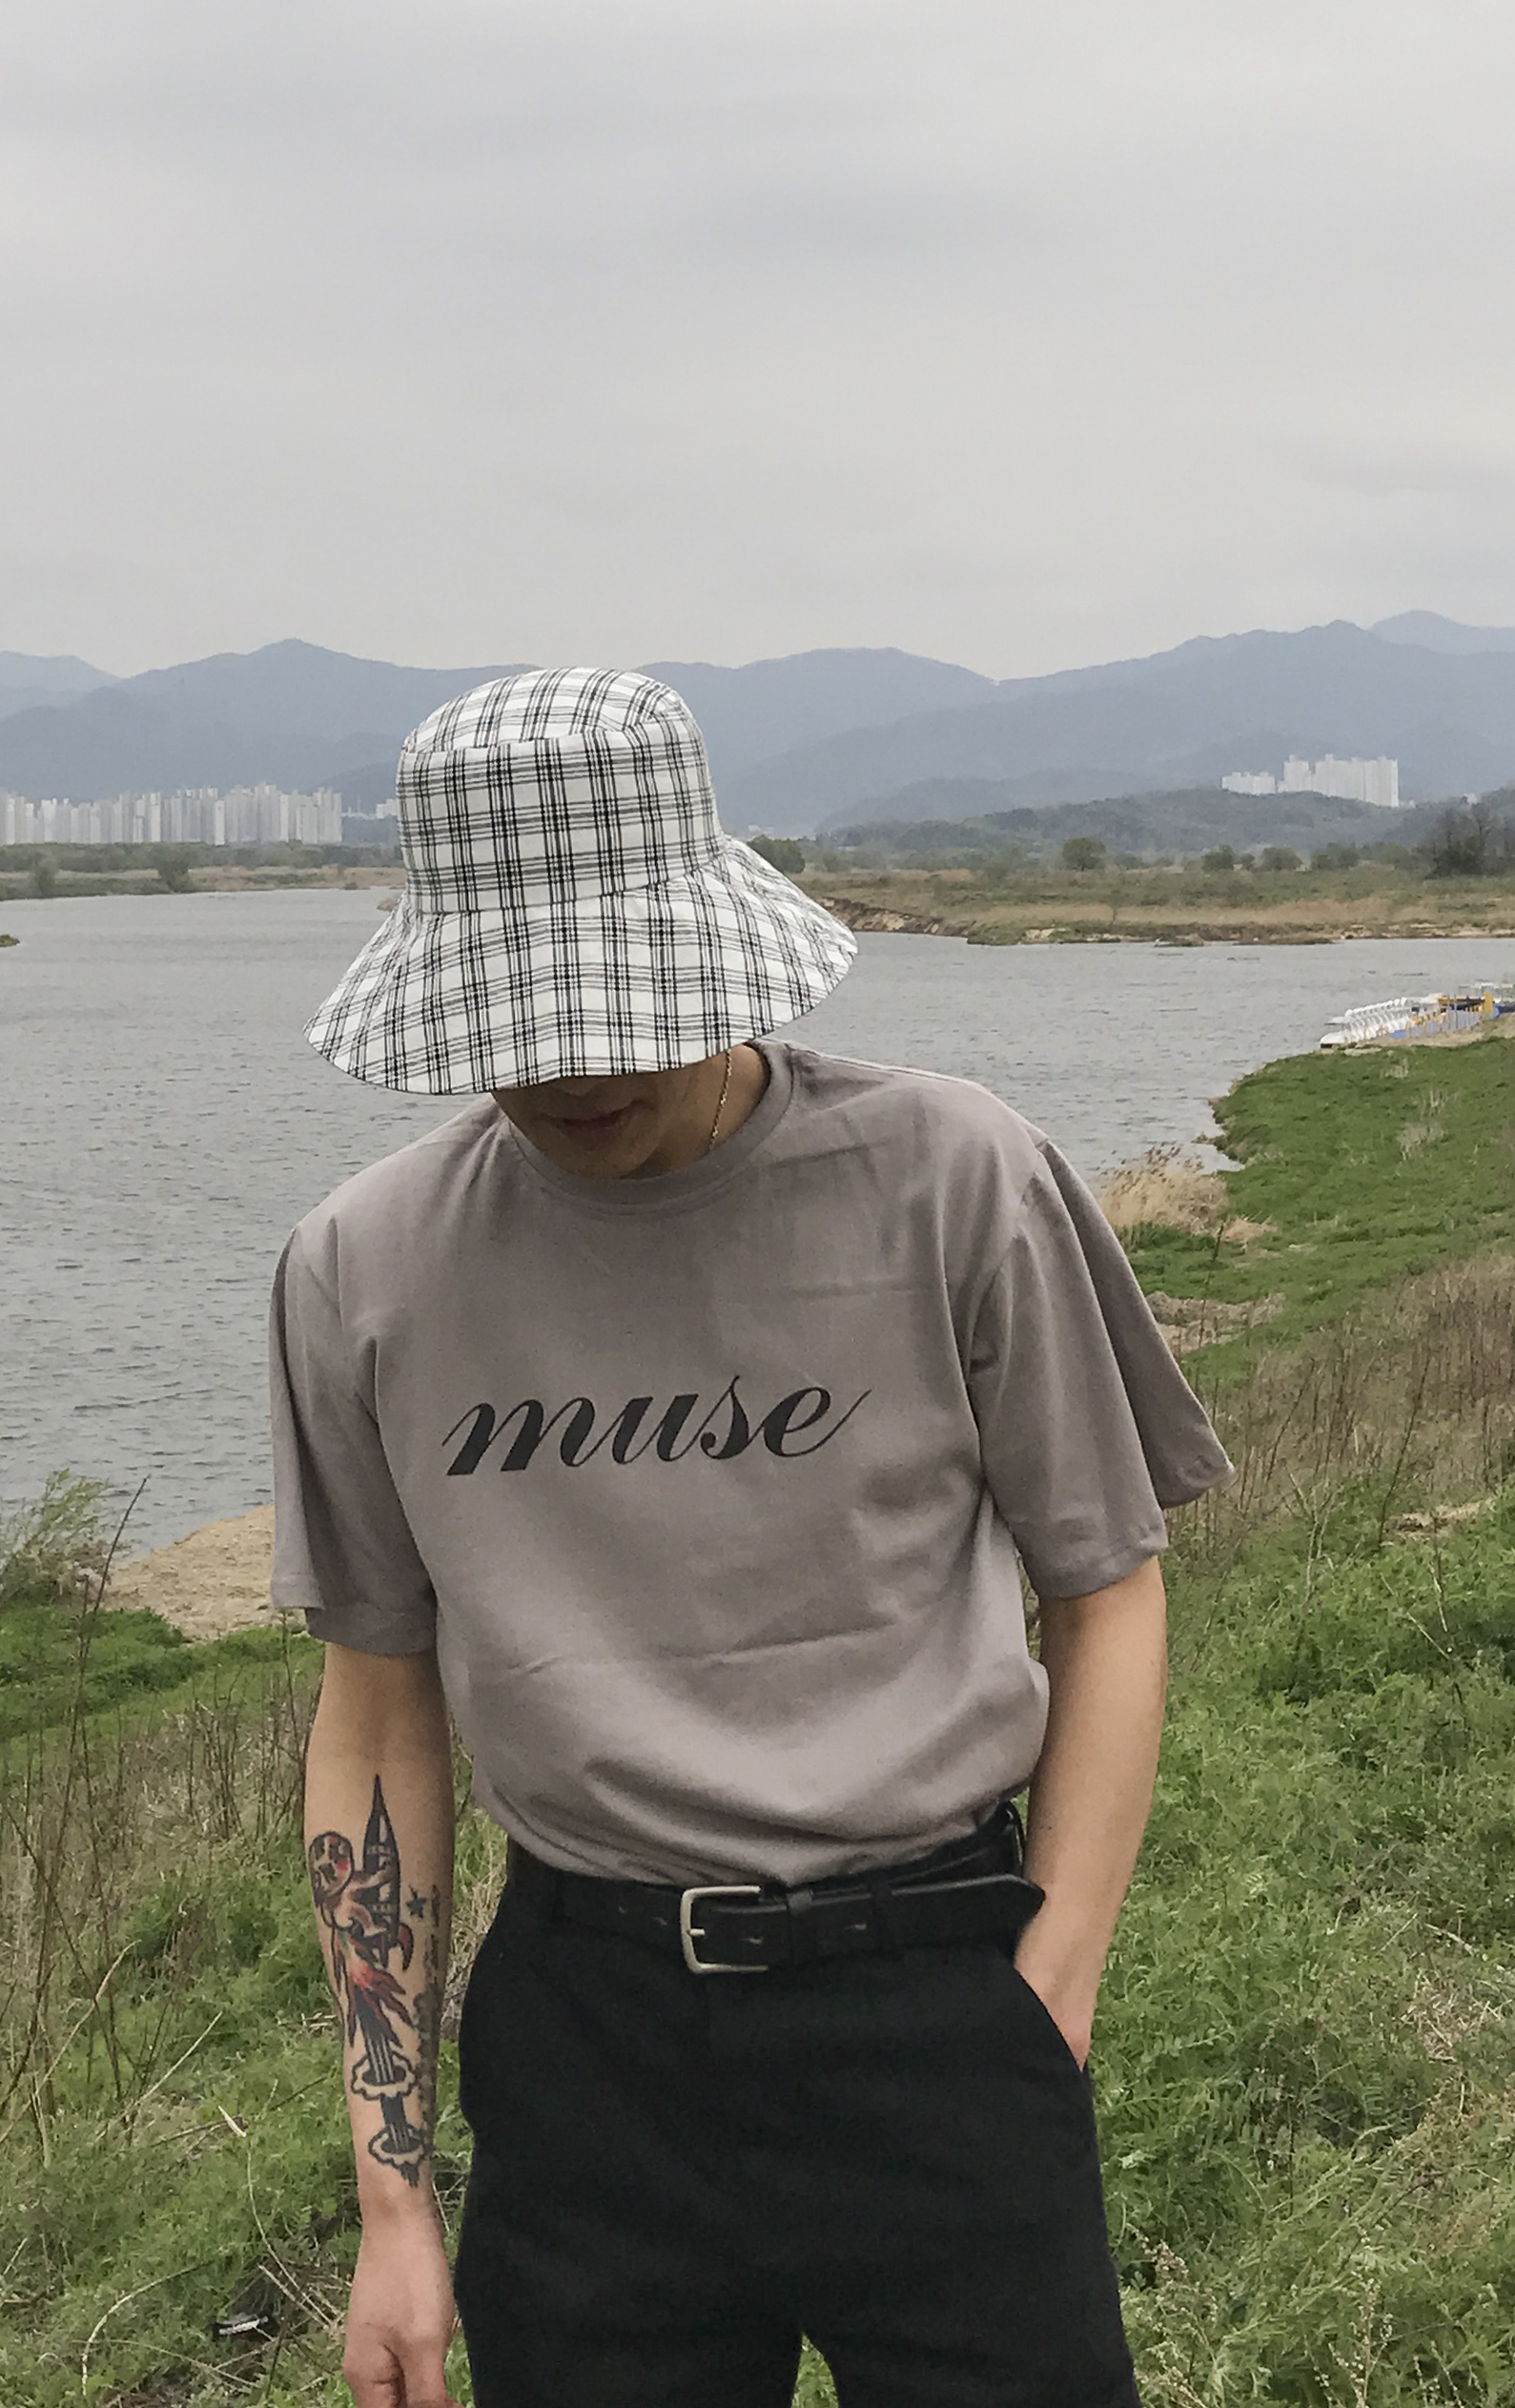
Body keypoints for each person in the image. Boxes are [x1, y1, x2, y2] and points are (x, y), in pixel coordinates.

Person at [271, 667, 1230, 2408]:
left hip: (934, 1991)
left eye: (612, 1008)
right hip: (587, 2041)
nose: (567, 1069)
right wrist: (392, 2198)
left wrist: (1050, 1985)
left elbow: (1108, 1585)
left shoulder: (952, 1176)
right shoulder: (365, 1271)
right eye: (514, 1020)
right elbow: (375, 1716)